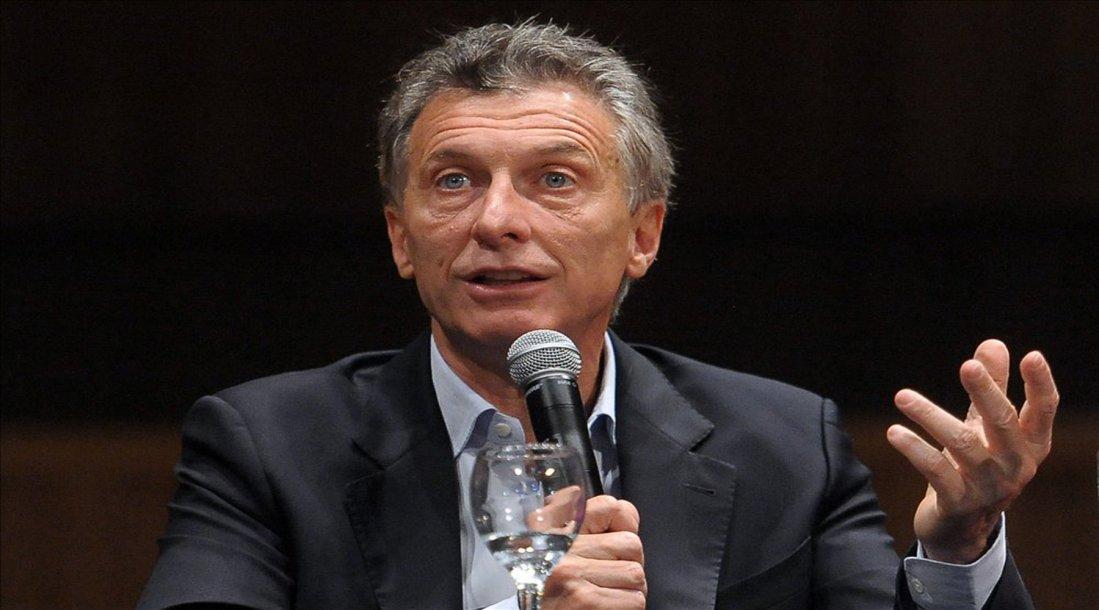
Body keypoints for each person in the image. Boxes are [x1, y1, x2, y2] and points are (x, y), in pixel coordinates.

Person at [139, 22, 1060, 609]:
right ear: (400, 237)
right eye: (454, 181)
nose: (496, 221)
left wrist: (955, 548)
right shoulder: (268, 446)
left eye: (554, 179)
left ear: (643, 235)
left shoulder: (783, 446)